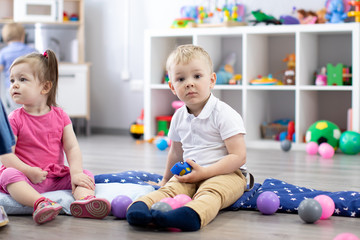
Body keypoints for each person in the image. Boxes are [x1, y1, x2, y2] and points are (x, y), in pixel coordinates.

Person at [126, 44, 249, 231]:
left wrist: (205, 173)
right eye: (181, 78)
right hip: (189, 172)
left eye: (197, 76)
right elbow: (175, 152)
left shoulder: (224, 114)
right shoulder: (178, 116)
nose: (189, 83)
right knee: (170, 190)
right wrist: (165, 181)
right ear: (172, 87)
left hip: (227, 173)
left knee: (211, 193)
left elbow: (238, 157)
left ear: (212, 80)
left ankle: (192, 215)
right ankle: (141, 207)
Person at [0, 50, 111, 225]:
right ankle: (40, 203)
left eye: (22, 79)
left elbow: (72, 148)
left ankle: (84, 201)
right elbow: (7, 156)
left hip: (53, 176)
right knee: (7, 175)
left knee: (85, 174)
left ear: (45, 87)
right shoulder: (14, 119)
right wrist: (29, 171)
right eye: (12, 80)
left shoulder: (61, 116)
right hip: (27, 177)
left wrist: (75, 173)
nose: (14, 85)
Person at [0, 23, 37, 114]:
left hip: (12, 88)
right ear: (23, 36)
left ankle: (16, 127)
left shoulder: (4, 52)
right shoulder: (32, 51)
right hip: (30, 88)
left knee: (14, 113)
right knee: (29, 112)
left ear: (5, 38)